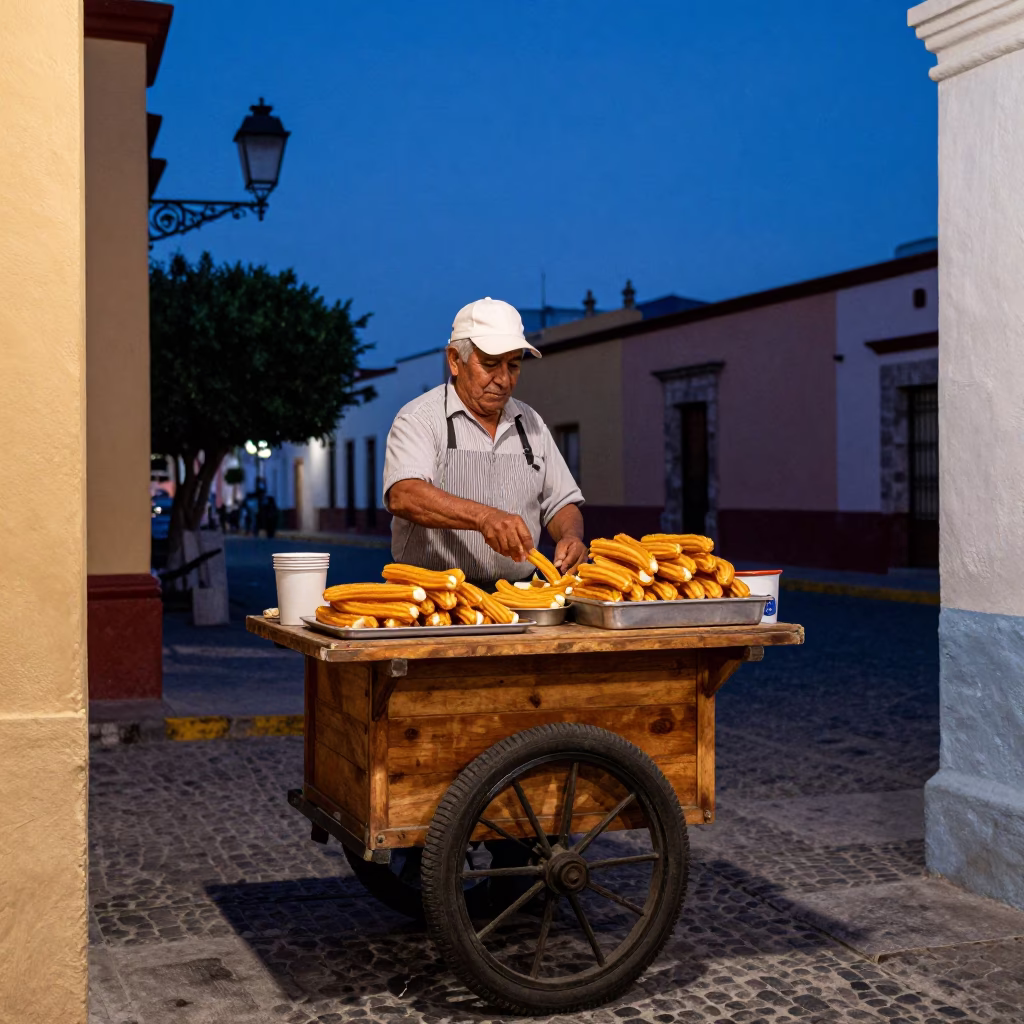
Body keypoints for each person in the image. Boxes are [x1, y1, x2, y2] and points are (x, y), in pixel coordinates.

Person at [383, 297, 586, 590]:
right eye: (490, 364)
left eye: (513, 365)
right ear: (455, 360)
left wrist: (571, 536)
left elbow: (561, 502)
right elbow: (404, 494)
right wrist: (483, 517)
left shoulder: (530, 423)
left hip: (518, 594)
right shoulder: (420, 418)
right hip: (432, 597)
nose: (504, 379)